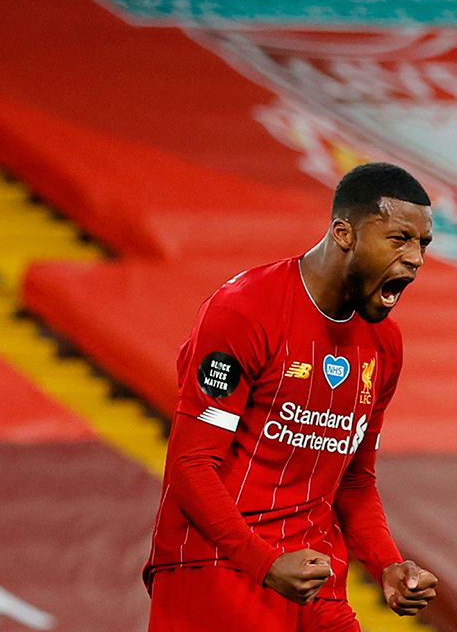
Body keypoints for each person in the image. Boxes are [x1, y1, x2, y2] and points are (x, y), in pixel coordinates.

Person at [144, 162, 439, 631]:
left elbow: (355, 481)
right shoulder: (245, 310)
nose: (416, 258)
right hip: (218, 566)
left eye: (423, 244)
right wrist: (262, 563)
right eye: (399, 238)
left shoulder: (385, 344)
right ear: (344, 233)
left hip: (312, 578)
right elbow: (191, 466)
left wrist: (387, 564)